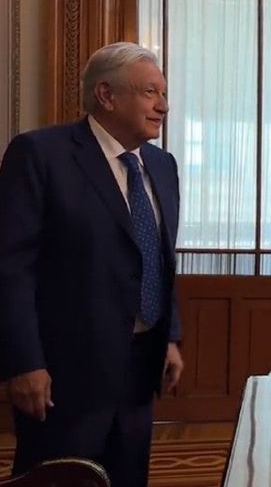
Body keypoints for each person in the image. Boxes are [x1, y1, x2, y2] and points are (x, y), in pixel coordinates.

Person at [0, 42, 184, 487]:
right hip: (64, 374)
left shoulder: (162, 165)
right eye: (150, 92)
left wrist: (169, 336)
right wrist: (23, 362)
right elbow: (11, 268)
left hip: (139, 367)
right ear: (106, 95)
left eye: (164, 93)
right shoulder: (40, 154)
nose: (163, 105)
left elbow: (159, 258)